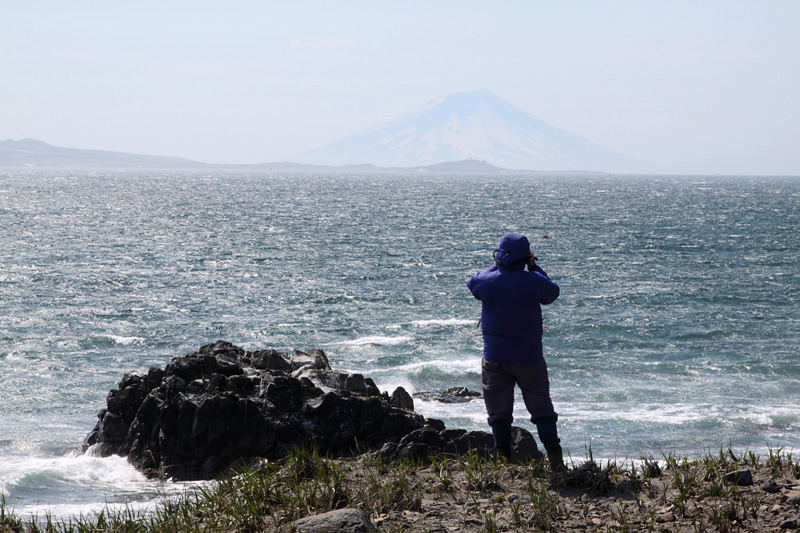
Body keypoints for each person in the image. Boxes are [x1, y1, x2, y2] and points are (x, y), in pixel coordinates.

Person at [466, 232, 564, 469]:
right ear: (526, 257)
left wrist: (500, 261)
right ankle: (556, 460)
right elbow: (552, 292)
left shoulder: (485, 282)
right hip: (529, 358)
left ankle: (504, 462)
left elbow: (474, 282)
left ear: (499, 255)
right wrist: (533, 265)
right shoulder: (534, 282)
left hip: (495, 358)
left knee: (498, 412)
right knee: (541, 408)